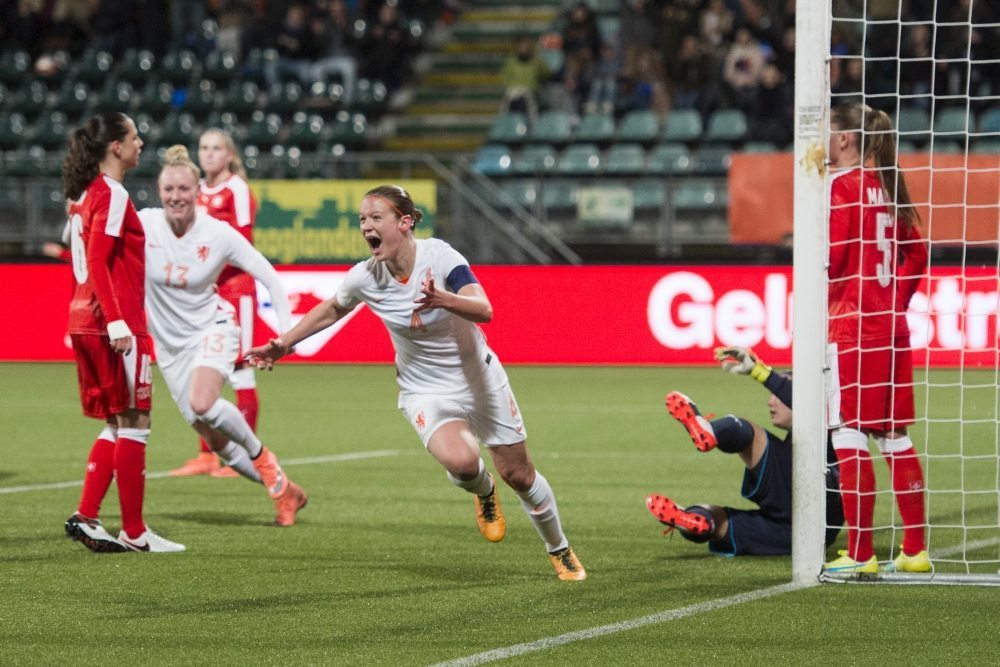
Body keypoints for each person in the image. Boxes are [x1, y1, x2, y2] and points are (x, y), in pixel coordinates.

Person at [246, 185, 587, 581]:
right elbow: (332, 308)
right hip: (423, 389)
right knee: (462, 464)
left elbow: (485, 309)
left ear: (404, 223)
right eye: (362, 220)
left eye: (376, 218)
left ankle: (558, 548)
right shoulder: (365, 276)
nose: (367, 227)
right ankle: (483, 492)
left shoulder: (441, 258)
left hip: (479, 379)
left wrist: (445, 299)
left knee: (521, 476)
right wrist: (283, 344)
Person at [138, 145, 308, 526]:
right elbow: (97, 236)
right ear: (159, 191)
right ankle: (286, 490)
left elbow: (267, 274)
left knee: (202, 402)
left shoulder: (217, 234)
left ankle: (265, 461)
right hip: (170, 348)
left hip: (213, 327)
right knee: (217, 442)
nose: (176, 197)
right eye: (169, 190)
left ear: (197, 190)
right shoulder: (145, 223)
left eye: (184, 189)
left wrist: (287, 333)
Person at [61, 111, 184, 554]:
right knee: (135, 420)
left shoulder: (84, 195)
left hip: (83, 319)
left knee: (117, 420)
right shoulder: (110, 194)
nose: (141, 143)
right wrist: (116, 320)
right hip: (114, 323)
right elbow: (97, 260)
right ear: (116, 146)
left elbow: (79, 260)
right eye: (134, 137)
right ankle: (135, 532)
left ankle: (88, 516)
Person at [824, 102, 931, 574]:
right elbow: (919, 252)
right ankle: (914, 551)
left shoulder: (841, 186)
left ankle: (861, 554)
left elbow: (833, 254)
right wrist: (896, 301)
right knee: (893, 435)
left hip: (850, 325)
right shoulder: (890, 187)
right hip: (890, 328)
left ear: (845, 139)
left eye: (828, 132)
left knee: (847, 433)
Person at [647, 347, 844, 556]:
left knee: (751, 434)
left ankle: (710, 430)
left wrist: (759, 371)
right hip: (810, 536)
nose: (771, 401)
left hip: (813, 496)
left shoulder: (824, 425)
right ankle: (692, 519)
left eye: (779, 395)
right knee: (717, 522)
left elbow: (810, 404)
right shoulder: (828, 433)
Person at [169, 127, 260, 478]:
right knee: (201, 371)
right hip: (204, 294)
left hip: (235, 290)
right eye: (203, 147)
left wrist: (201, 270)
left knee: (240, 370)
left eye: (216, 148)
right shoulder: (196, 191)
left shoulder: (236, 189)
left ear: (230, 155)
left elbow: (242, 243)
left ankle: (248, 457)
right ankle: (206, 455)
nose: (208, 154)